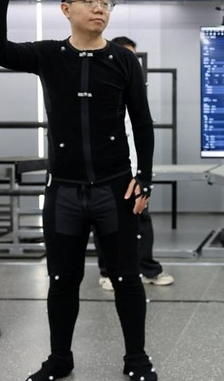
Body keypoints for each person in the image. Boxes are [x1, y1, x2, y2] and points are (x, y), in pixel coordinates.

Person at [0, 0, 157, 381]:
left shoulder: (123, 61)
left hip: (115, 190)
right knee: (62, 281)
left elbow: (143, 123)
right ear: (66, 9)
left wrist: (144, 179)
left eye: (104, 2)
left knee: (127, 279)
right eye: (90, 1)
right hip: (63, 193)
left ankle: (136, 360)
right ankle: (60, 359)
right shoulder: (47, 56)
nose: (100, 9)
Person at [95, 36, 174, 291]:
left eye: (133, 58)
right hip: (107, 170)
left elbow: (141, 130)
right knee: (105, 224)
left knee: (142, 221)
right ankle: (107, 272)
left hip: (134, 171)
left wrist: (143, 173)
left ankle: (148, 268)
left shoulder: (136, 91)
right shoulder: (101, 92)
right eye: (125, 56)